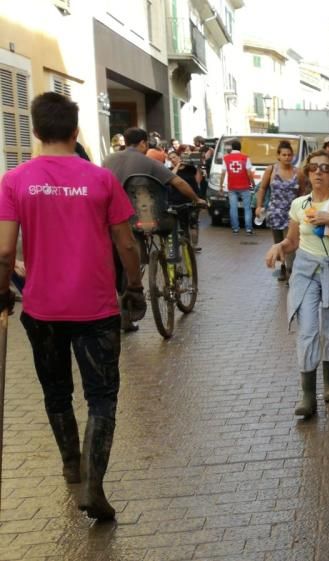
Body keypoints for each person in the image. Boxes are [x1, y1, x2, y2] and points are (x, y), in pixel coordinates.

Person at [0, 92, 146, 521]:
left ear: (35, 130)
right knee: (102, 398)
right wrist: (134, 287)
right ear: (76, 130)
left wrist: (3, 291)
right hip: (96, 309)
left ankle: (70, 463)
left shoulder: (15, 181)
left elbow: (5, 252)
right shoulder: (100, 180)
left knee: (56, 393)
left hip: (43, 311)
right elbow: (126, 242)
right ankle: (93, 483)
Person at [264, 150, 329, 418]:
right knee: (307, 329)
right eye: (313, 168)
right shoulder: (299, 204)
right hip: (307, 271)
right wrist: (279, 246)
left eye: (325, 168)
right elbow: (293, 240)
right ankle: (307, 395)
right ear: (307, 173)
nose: (318, 172)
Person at [103, 127, 206, 331]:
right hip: (147, 218)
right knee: (172, 224)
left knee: (120, 263)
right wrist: (197, 199)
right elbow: (178, 182)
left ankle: (124, 315)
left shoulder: (108, 160)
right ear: (142, 143)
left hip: (116, 221)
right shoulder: (148, 161)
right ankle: (172, 261)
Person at [256, 140, 300, 282]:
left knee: (290, 242)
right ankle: (282, 268)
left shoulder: (297, 172)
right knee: (278, 242)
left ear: (292, 156)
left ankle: (291, 271)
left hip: (291, 214)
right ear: (278, 156)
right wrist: (259, 205)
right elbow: (262, 188)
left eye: (289, 155)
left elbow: (302, 191)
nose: (287, 157)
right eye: (284, 155)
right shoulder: (271, 170)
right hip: (275, 212)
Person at [221, 139, 256, 235]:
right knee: (247, 208)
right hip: (244, 186)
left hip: (232, 187)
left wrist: (220, 186)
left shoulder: (226, 158)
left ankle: (235, 229)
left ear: (232, 148)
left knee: (233, 208)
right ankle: (248, 229)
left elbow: (223, 173)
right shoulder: (245, 158)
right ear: (240, 148)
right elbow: (249, 173)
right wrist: (253, 183)